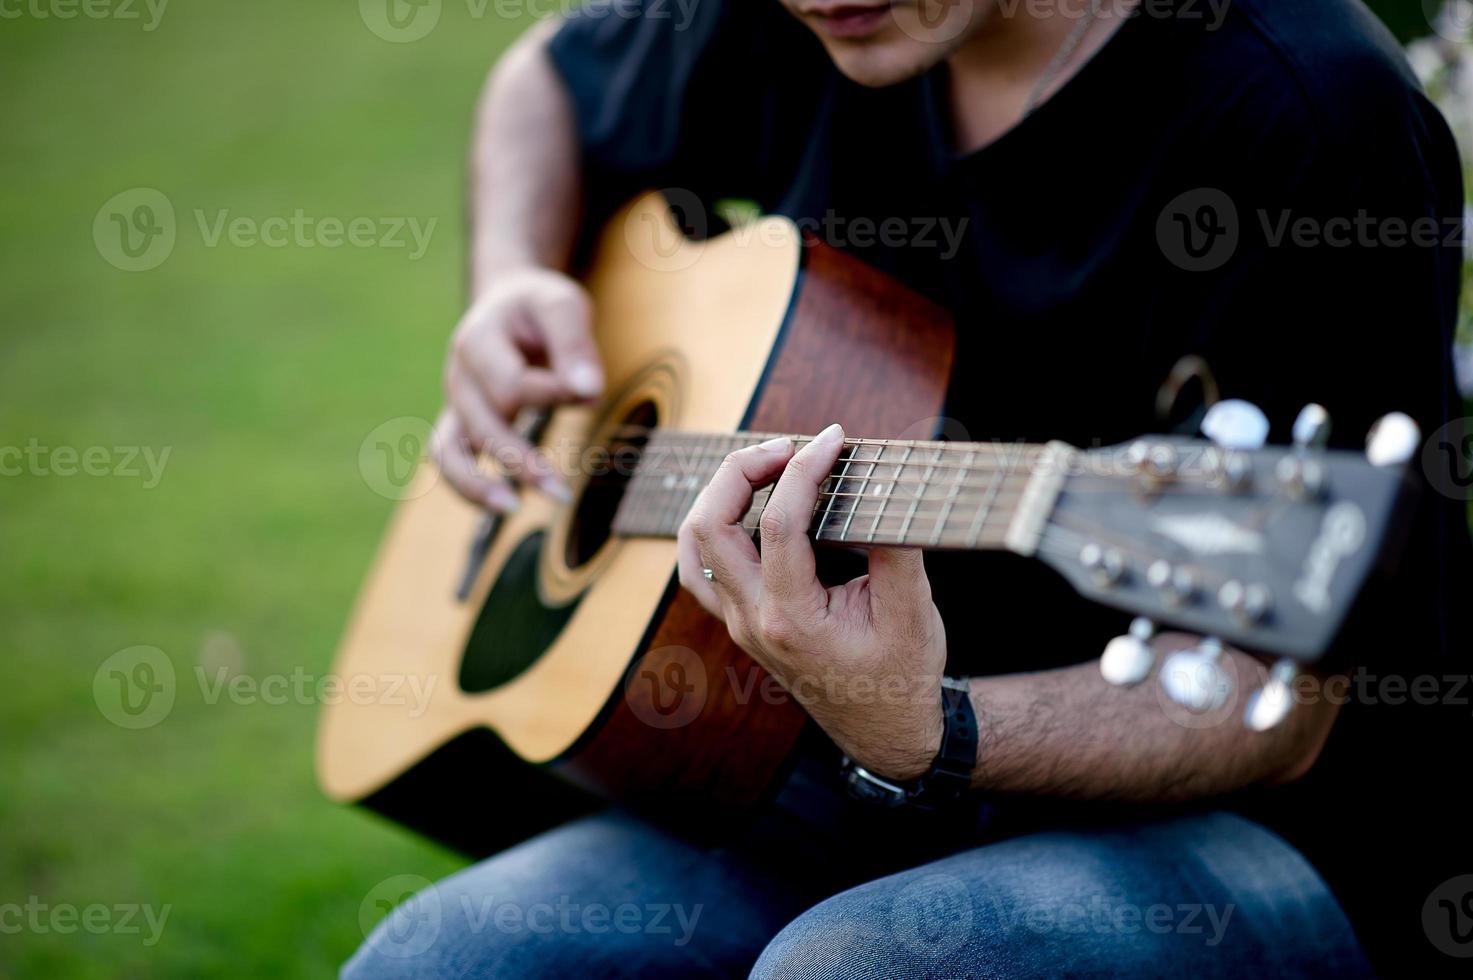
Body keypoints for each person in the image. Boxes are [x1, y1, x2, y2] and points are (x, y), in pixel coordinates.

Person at [346, 0, 1473, 975]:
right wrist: (512, 281)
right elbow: (543, 78)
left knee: (858, 967)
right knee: (430, 958)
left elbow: (1269, 704)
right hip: (814, 765)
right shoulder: (790, 17)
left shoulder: (1304, 105)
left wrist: (933, 730)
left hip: (1239, 826)